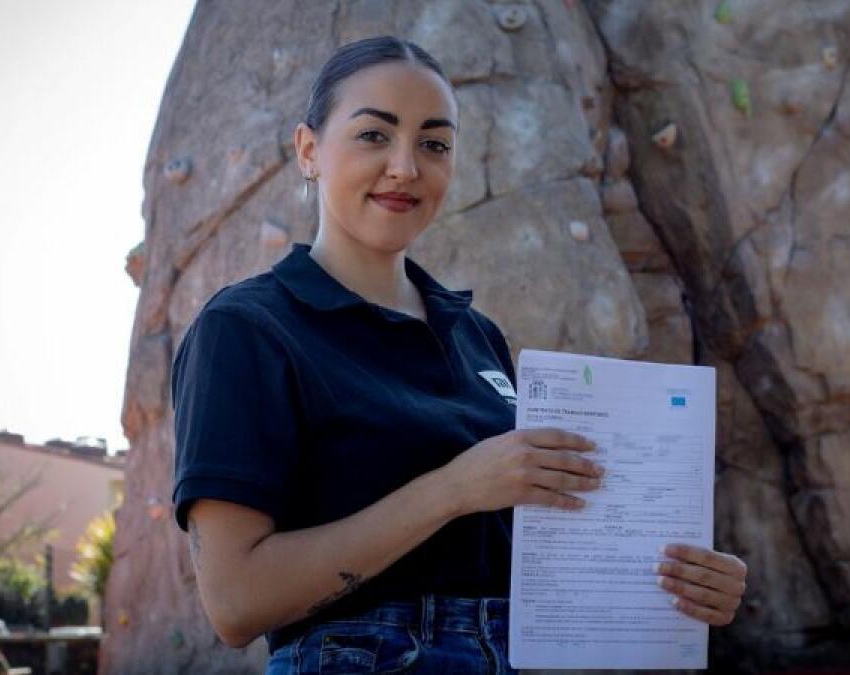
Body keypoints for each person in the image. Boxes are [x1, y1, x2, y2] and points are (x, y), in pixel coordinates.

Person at [171, 35, 748, 675]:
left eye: (434, 144)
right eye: (373, 136)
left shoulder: (477, 335)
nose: (405, 167)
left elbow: (542, 559)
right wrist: (453, 489)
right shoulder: (247, 327)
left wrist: (678, 581)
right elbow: (235, 602)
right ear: (309, 151)